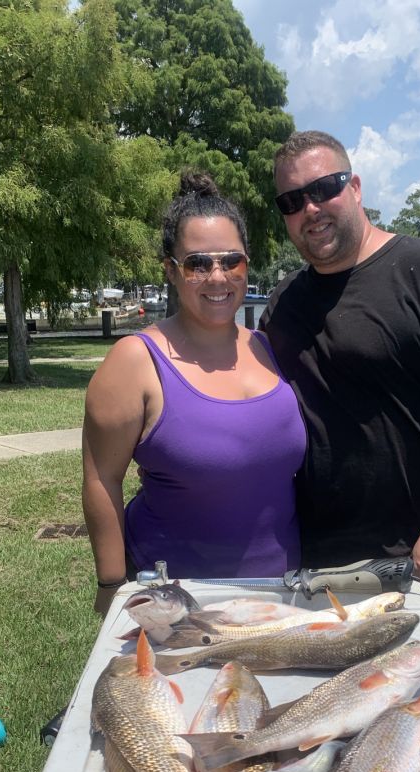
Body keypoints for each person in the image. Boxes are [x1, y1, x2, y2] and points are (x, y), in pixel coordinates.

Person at [259, 131, 420, 631]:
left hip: (408, 559)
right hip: (309, 557)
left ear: (354, 187)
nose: (310, 209)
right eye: (292, 201)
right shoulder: (283, 303)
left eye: (323, 189)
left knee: (408, 681)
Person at [82, 172, 306, 614]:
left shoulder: (267, 348)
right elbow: (101, 479)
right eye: (197, 264)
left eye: (231, 261)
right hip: (177, 599)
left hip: (283, 594)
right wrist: (111, 584)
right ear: (171, 270)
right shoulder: (134, 361)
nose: (217, 277)